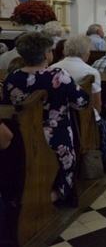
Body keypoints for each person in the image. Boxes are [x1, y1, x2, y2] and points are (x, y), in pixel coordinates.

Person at [2, 31, 89, 202]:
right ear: (45, 54)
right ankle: (54, 195)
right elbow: (82, 102)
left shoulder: (12, 77)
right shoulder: (57, 75)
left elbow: (7, 105)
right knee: (68, 153)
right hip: (55, 136)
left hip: (21, 135)